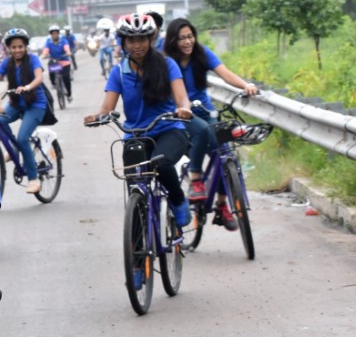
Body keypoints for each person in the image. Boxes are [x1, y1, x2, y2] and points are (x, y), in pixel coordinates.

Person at [84, 14, 194, 229]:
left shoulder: (167, 64)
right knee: (136, 191)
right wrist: (97, 117)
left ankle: (179, 201)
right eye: (131, 40)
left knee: (160, 163)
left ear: (151, 39)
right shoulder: (119, 73)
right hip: (136, 135)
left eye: (142, 39)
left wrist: (184, 109)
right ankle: (137, 255)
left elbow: (182, 97)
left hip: (169, 129)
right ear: (123, 42)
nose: (137, 45)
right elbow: (107, 108)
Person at [163, 17, 259, 231]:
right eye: (181, 39)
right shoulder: (166, 59)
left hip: (204, 110)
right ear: (172, 41)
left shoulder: (202, 54)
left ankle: (222, 204)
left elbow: (225, 74)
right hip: (179, 112)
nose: (187, 42)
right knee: (203, 132)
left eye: (190, 37)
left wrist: (246, 85)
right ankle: (196, 179)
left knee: (224, 150)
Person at [0, 28, 49, 194]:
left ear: (25, 46)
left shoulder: (33, 59)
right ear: (9, 48)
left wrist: (27, 87)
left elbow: (39, 77)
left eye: (20, 46)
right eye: (14, 47)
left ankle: (33, 179)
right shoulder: (7, 62)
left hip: (36, 104)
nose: (17, 50)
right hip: (16, 103)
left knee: (23, 138)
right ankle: (14, 150)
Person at [40, 23, 74, 102]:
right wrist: (44, 55)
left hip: (64, 61)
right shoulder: (48, 42)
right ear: (51, 34)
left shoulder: (63, 41)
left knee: (66, 78)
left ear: (58, 33)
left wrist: (68, 52)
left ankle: (69, 94)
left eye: (56, 33)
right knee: (51, 69)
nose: (55, 35)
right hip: (54, 61)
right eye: (53, 33)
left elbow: (67, 48)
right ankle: (54, 84)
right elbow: (46, 50)